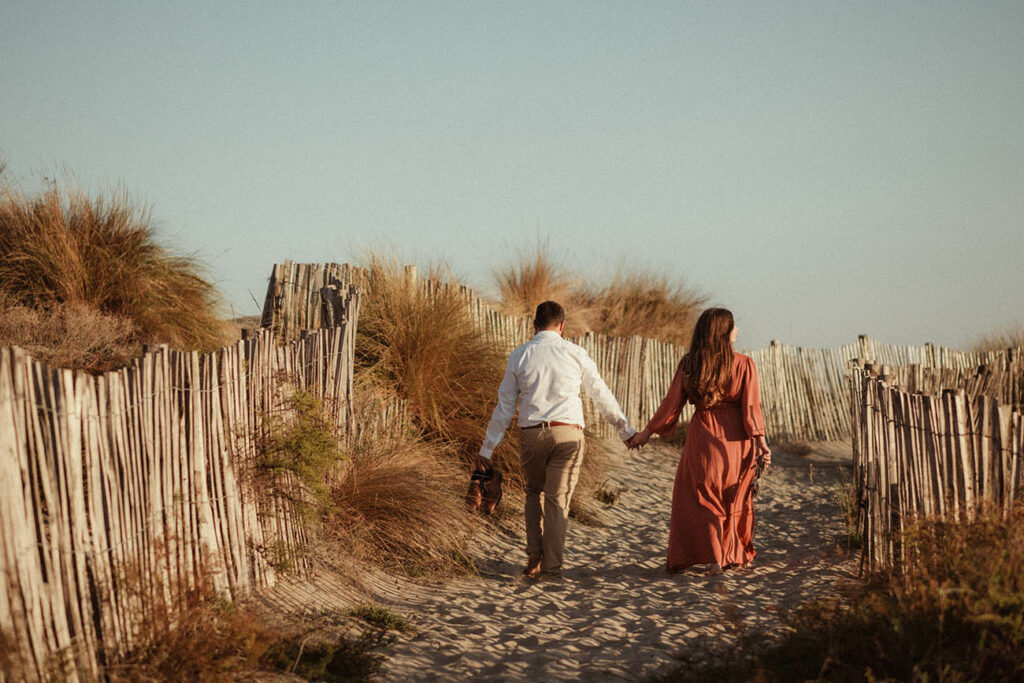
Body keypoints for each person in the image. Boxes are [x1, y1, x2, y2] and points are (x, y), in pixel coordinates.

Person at [479, 300, 636, 579]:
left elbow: (504, 407)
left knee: (533, 493)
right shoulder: (575, 353)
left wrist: (487, 448)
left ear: (534, 324)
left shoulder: (520, 355)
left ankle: (533, 560)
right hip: (568, 433)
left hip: (532, 434)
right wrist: (624, 431)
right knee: (557, 500)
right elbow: (600, 394)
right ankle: (552, 568)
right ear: (562, 326)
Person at [627, 307, 771, 574]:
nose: (738, 330)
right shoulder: (744, 364)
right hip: (736, 440)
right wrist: (761, 441)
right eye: (734, 326)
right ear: (724, 331)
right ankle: (728, 555)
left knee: (702, 497)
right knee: (733, 497)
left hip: (703, 436)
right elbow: (751, 407)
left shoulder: (690, 363)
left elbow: (671, 404)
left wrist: (646, 433)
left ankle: (714, 559)